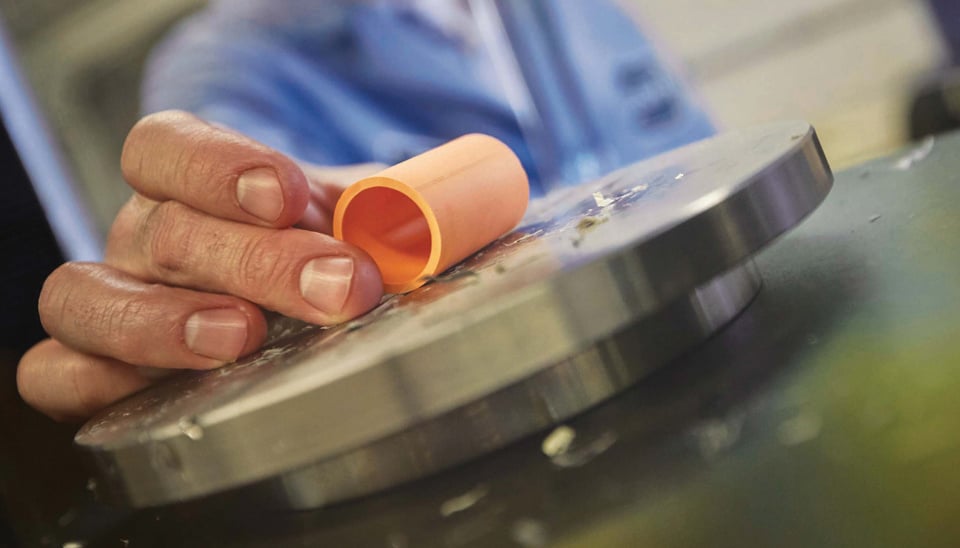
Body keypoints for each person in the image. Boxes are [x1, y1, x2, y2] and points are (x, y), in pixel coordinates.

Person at [17, 0, 714, 421]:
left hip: (701, 356)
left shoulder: (555, 13)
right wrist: (210, 259)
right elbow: (216, 209)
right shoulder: (230, 67)